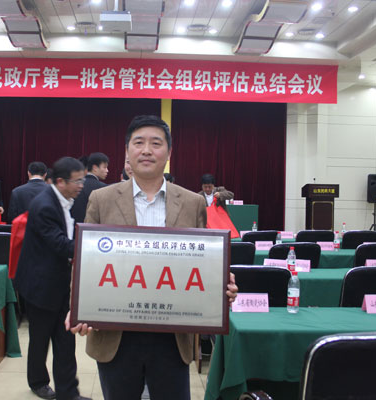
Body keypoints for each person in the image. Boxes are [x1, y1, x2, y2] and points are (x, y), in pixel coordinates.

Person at [68, 115, 238, 400]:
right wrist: (79, 305)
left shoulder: (193, 202)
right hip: (115, 335)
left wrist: (221, 286)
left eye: (156, 143)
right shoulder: (101, 199)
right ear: (127, 151)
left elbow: (202, 262)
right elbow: (86, 260)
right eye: (139, 143)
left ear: (169, 153)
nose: (146, 150)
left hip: (172, 336)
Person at [13, 157, 90, 400]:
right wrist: (93, 248)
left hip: (60, 281)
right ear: (60, 181)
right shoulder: (44, 205)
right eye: (77, 181)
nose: (81, 186)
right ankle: (38, 382)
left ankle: (68, 392)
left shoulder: (65, 200)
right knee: (40, 339)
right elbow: (59, 244)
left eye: (83, 180)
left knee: (65, 340)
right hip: (41, 284)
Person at [71, 152, 109, 223]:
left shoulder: (75, 185)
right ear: (95, 168)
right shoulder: (103, 188)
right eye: (104, 167)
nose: (107, 170)